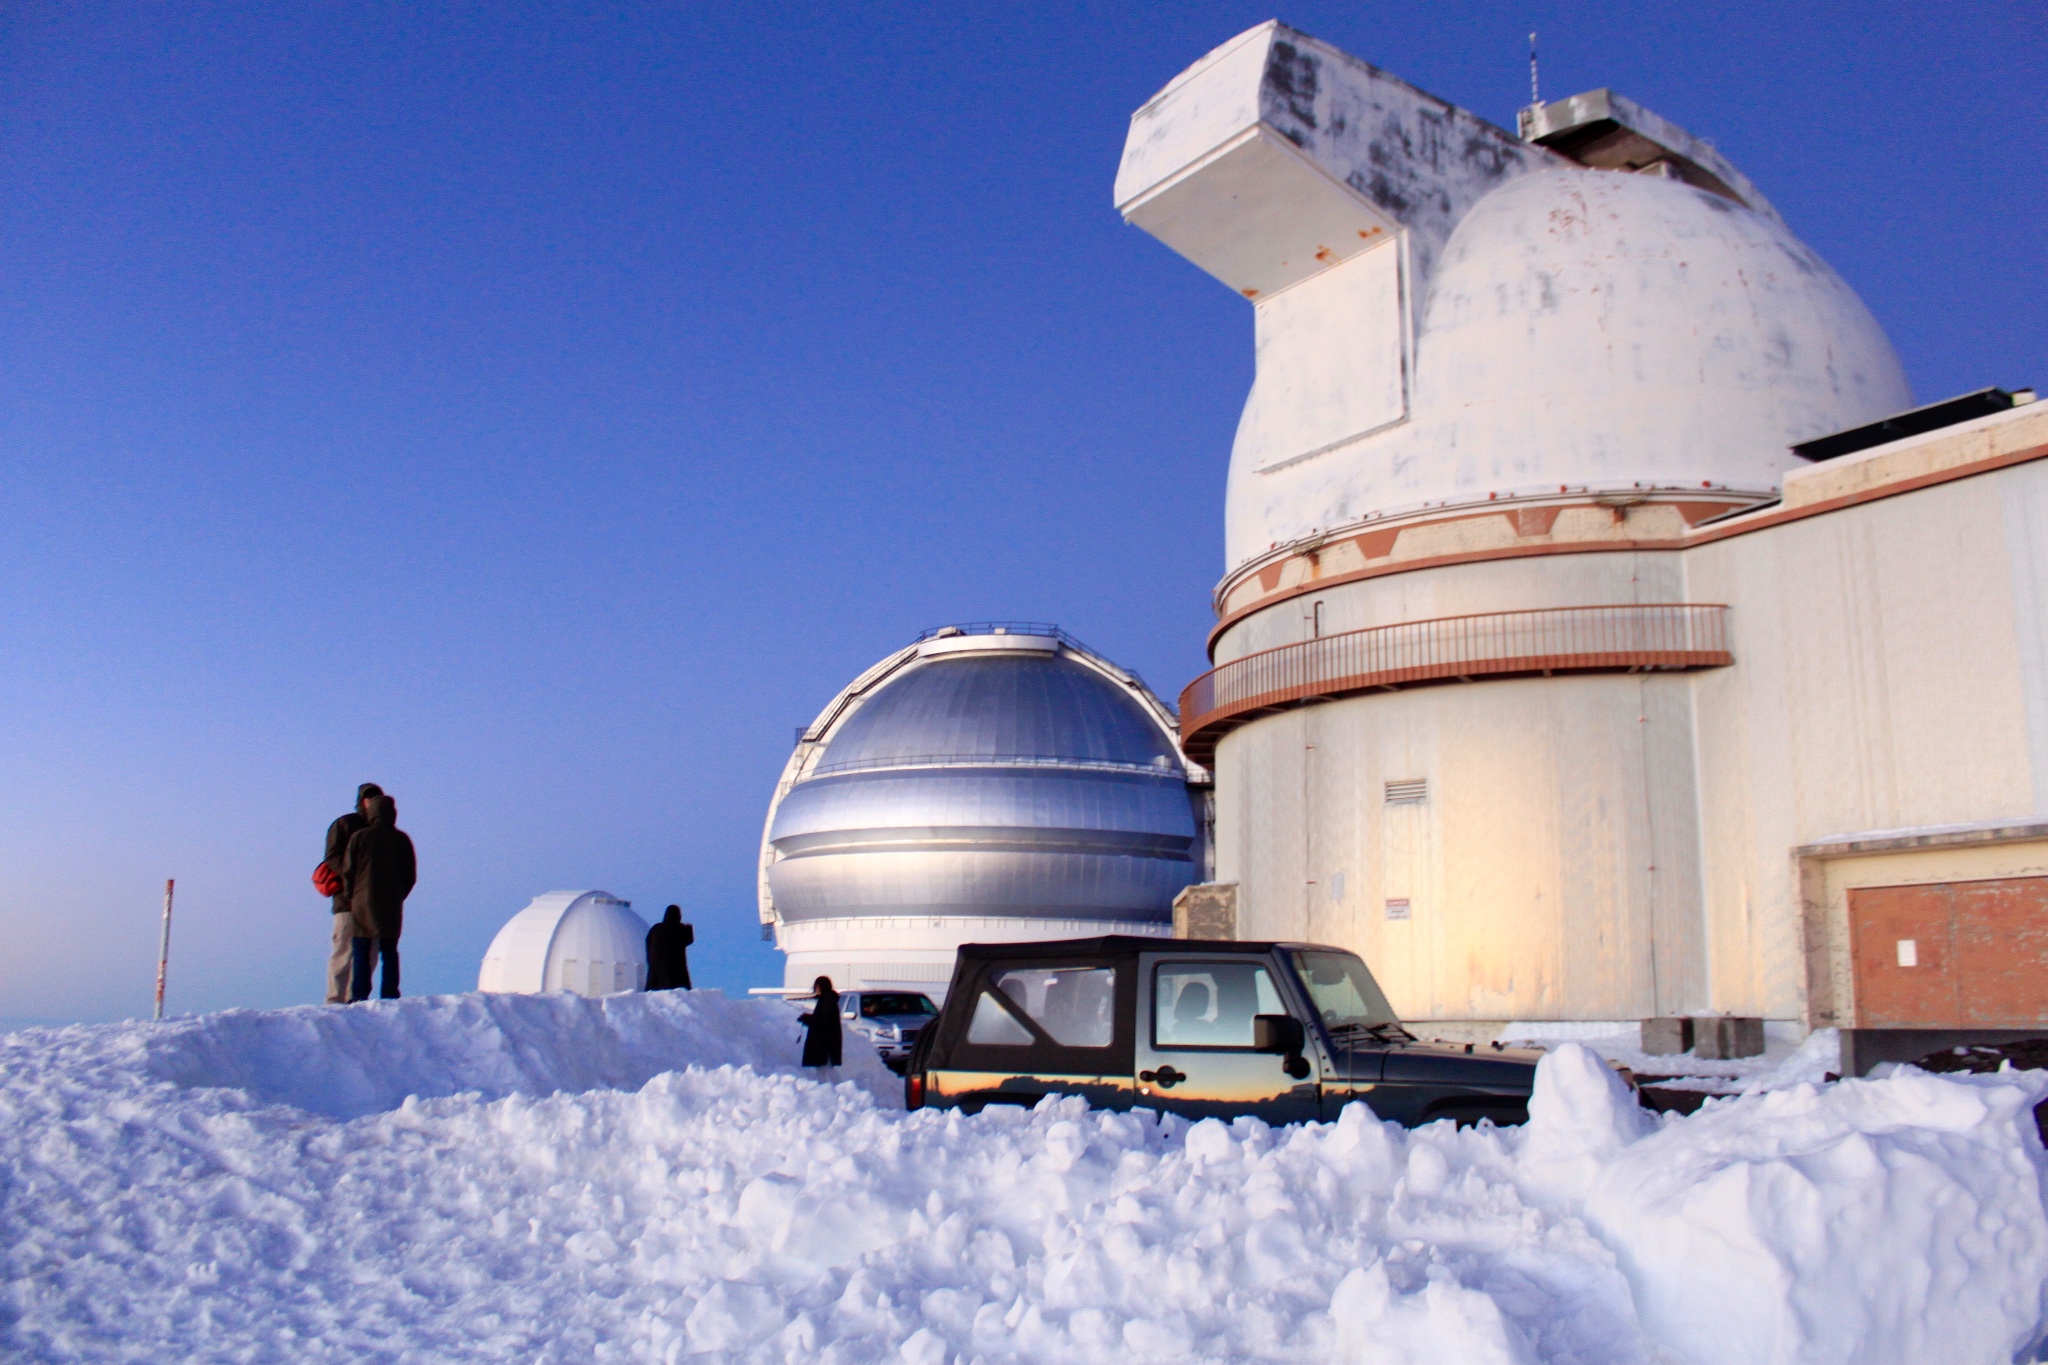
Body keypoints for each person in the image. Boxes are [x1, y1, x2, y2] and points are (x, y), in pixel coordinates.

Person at [342, 793, 416, 1001]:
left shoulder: (359, 837)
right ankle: (390, 994)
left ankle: (359, 996)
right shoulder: (401, 839)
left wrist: (351, 896)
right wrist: (399, 895)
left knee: (361, 950)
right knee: (389, 950)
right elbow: (410, 874)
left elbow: (348, 871)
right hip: (391, 903)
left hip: (361, 902)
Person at [322, 783, 383, 1004]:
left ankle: (356, 1002)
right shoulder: (345, 824)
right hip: (347, 902)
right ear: (362, 801)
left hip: (373, 905)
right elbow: (332, 857)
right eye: (369, 798)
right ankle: (335, 1002)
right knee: (344, 952)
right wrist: (354, 880)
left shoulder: (382, 831)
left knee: (369, 955)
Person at [645, 905, 694, 991]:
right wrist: (689, 929)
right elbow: (688, 940)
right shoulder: (678, 929)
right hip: (675, 965)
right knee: (675, 985)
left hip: (656, 964)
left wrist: (651, 957)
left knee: (657, 984)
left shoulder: (656, 928)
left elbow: (648, 941)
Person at [798, 975, 842, 1068]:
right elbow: (822, 1018)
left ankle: (835, 1083)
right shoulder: (827, 999)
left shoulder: (827, 1000)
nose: (816, 989)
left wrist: (807, 1019)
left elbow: (823, 1021)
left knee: (824, 1069)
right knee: (825, 1068)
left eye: (817, 986)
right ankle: (833, 1083)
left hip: (824, 1043)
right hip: (826, 1042)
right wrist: (808, 1018)